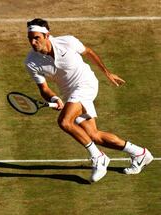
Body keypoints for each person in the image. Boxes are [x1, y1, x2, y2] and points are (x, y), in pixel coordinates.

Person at [24, 18, 153, 182]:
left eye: (37, 38)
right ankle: (140, 153)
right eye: (30, 38)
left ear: (47, 35)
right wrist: (55, 98)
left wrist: (107, 73)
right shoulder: (31, 62)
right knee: (93, 136)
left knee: (64, 122)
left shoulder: (68, 42)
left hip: (86, 84)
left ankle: (99, 157)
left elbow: (89, 52)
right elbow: (44, 89)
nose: (33, 42)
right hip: (69, 93)